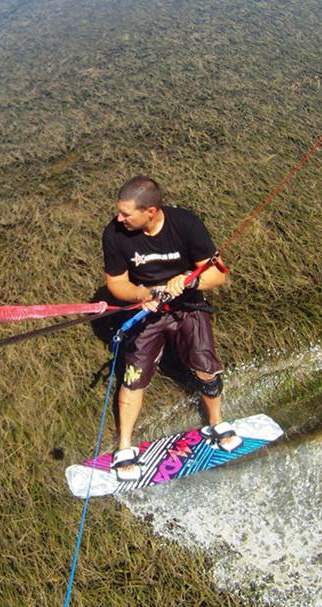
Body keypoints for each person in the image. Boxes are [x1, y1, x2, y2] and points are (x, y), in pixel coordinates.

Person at [102, 175, 241, 481]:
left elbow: (218, 275)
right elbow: (116, 283)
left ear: (150, 211)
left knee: (205, 365)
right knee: (134, 376)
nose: (119, 219)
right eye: (119, 212)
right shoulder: (114, 234)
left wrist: (189, 281)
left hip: (188, 306)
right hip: (148, 309)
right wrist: (143, 294)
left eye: (126, 214)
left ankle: (217, 422)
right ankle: (124, 445)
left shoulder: (186, 224)